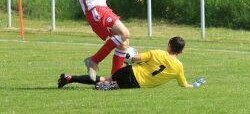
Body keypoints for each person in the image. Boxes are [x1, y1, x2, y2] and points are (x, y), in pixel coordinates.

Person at [58, 36, 206, 89]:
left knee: (106, 79)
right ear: (181, 52)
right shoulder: (179, 67)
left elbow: (134, 59)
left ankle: (70, 78)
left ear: (168, 45)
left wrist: (131, 52)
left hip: (129, 71)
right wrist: (195, 84)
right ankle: (104, 86)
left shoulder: (156, 53)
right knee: (106, 82)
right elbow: (184, 85)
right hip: (137, 84)